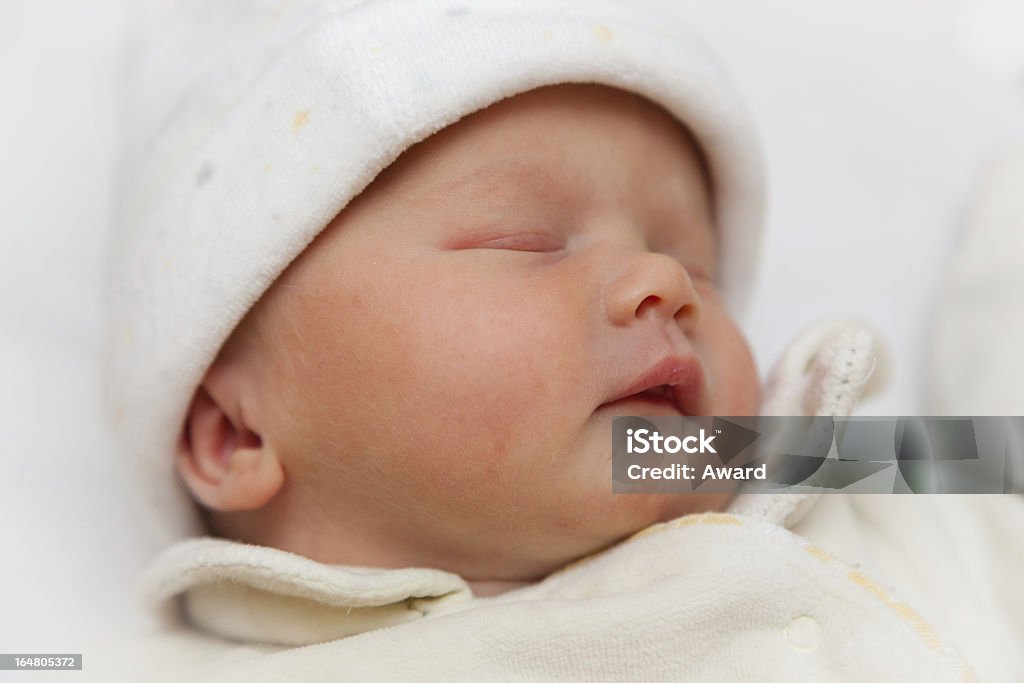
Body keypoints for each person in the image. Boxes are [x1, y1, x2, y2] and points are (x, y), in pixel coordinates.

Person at [89, 1, 1024, 680]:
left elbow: (1006, 464)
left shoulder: (827, 462)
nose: (659, 282)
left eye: (693, 263)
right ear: (236, 435)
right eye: (525, 242)